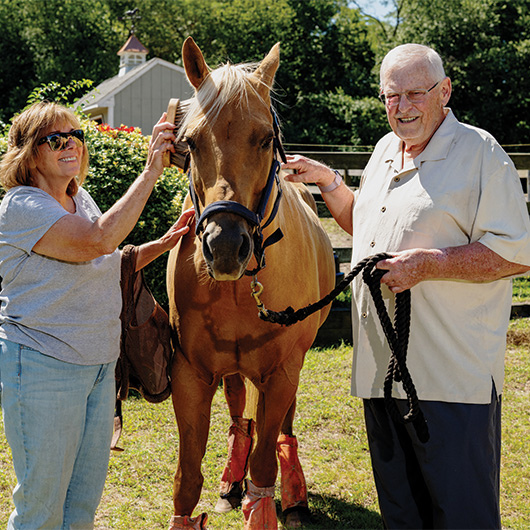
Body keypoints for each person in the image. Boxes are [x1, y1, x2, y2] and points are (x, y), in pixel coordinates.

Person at [282, 43, 530, 529]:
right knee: (402, 514)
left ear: (445, 92)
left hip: (451, 380)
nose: (403, 106)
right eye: (391, 96)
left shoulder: (480, 153)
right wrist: (329, 183)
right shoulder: (382, 150)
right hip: (381, 374)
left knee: (462, 515)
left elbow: (515, 252)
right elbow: (370, 226)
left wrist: (428, 264)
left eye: (416, 93)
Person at [0, 100, 194, 529]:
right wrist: (150, 173)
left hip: (98, 367)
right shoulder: (22, 206)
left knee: (81, 505)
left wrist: (164, 242)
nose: (71, 144)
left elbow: (107, 261)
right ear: (31, 153)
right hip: (43, 365)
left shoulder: (78, 197)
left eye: (77, 136)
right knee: (41, 507)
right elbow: (97, 242)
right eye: (56, 139)